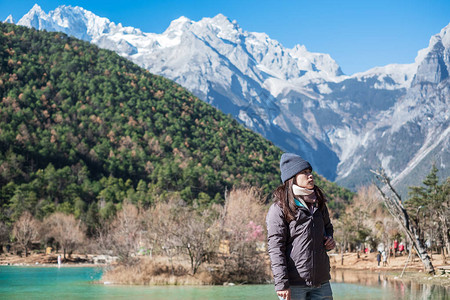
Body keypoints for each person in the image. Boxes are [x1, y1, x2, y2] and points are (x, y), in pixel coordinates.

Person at [266, 153, 336, 300]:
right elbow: (275, 248)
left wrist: (329, 239)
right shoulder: (279, 208)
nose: (310, 176)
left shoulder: (319, 203)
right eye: (304, 173)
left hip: (321, 282)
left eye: (310, 172)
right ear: (292, 178)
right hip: (293, 284)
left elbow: (328, 228)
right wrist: (281, 284)